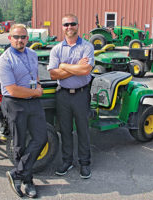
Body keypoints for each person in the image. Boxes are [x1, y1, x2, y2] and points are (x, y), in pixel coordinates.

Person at [0, 24, 47, 198]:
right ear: (10, 38)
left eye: (23, 37)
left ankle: (16, 174)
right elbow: (12, 89)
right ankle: (26, 181)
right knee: (19, 144)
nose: (20, 40)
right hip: (15, 104)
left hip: (33, 101)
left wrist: (38, 85)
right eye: (16, 37)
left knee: (41, 138)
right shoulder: (5, 60)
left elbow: (35, 75)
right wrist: (36, 91)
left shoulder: (32, 54)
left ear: (28, 38)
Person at [47, 14, 94, 179]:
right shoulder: (57, 49)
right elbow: (53, 74)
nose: (69, 27)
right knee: (65, 130)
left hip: (81, 94)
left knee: (83, 130)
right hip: (63, 95)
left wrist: (64, 66)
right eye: (66, 24)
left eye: (72, 24)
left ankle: (85, 163)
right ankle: (67, 161)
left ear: (77, 25)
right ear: (62, 27)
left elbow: (85, 70)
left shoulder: (87, 47)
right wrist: (76, 67)